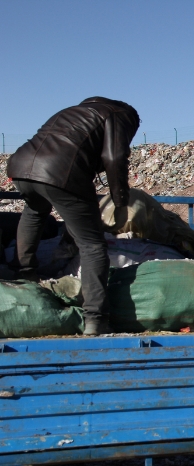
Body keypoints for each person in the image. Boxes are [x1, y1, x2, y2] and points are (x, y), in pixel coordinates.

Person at [7, 97, 140, 335]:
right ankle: (95, 317)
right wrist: (120, 200)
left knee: (35, 211)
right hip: (59, 172)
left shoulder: (72, 112)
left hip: (21, 166)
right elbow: (113, 157)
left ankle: (24, 272)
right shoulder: (120, 115)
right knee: (92, 245)